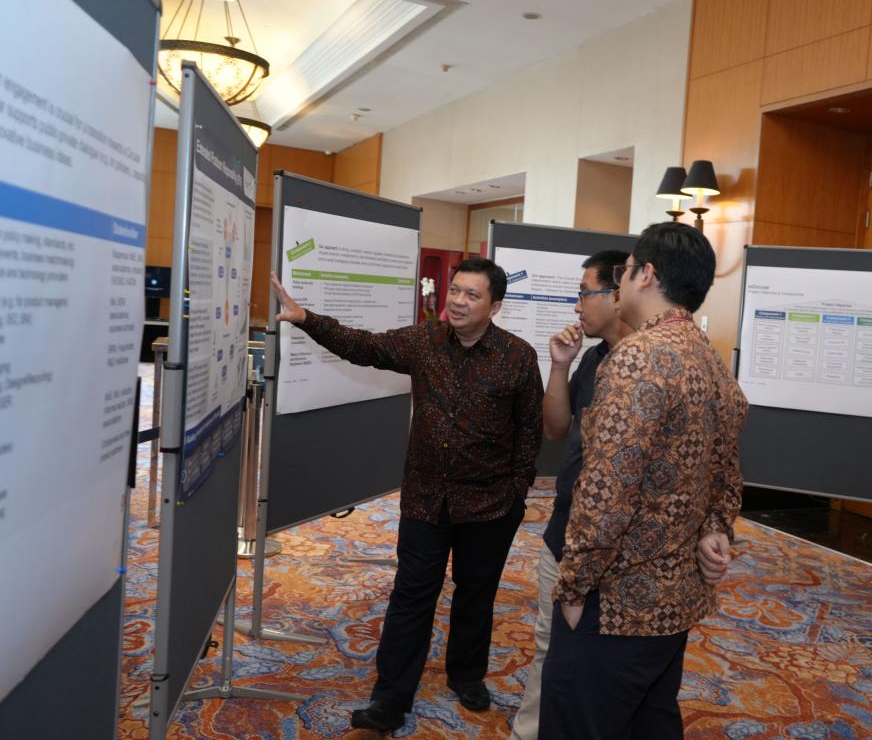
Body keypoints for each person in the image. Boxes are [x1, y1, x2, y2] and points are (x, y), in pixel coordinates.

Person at [270, 257, 543, 735]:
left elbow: (529, 428)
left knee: (476, 595)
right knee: (411, 596)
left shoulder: (518, 356)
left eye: (472, 294)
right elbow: (364, 346)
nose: (459, 301)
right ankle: (389, 700)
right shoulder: (424, 341)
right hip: (426, 499)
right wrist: (306, 318)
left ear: (495, 305)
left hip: (490, 504)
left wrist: (517, 491)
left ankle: (466, 675)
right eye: (455, 290)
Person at [538, 222, 748, 740]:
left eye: (627, 270)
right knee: (649, 722)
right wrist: (716, 527)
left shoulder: (638, 357)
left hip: (616, 602)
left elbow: (607, 491)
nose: (622, 280)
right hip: (674, 601)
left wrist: (574, 587)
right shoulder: (710, 358)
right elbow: (726, 471)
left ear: (646, 274)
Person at [508, 249, 632, 740]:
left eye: (585, 293)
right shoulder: (594, 359)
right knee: (550, 642)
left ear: (618, 295)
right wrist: (560, 366)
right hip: (564, 526)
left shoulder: (646, 364)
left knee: (605, 653)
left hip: (615, 538)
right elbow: (556, 429)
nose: (577, 305)